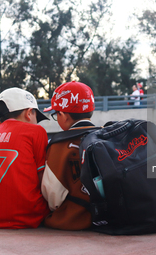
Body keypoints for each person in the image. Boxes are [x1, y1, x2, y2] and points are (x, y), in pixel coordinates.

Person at [0, 88, 50, 228]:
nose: (38, 122)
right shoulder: (36, 131)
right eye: (37, 117)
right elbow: (44, 180)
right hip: (26, 215)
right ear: (29, 113)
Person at [41, 81, 96, 230]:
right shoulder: (106, 136)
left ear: (63, 115)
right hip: (109, 218)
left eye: (56, 114)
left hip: (75, 221)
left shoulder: (59, 145)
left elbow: (53, 197)